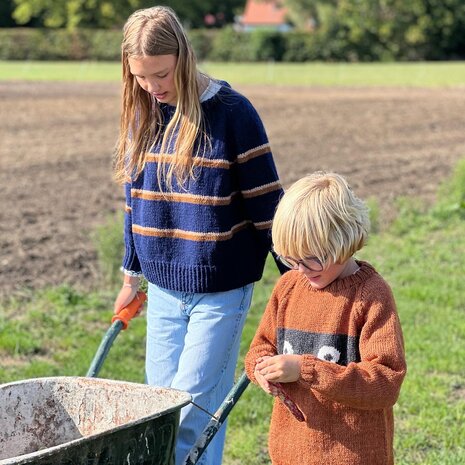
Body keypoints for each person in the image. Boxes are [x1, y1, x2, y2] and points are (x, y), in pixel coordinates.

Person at [112, 6, 284, 465]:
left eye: (162, 74)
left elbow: (269, 206)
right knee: (160, 414)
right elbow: (135, 202)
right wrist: (131, 274)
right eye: (141, 77)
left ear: (184, 57)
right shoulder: (144, 113)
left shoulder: (234, 114)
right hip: (163, 292)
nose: (153, 87)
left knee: (193, 416)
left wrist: (296, 282)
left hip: (220, 293)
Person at [244, 171, 407, 465]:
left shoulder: (370, 295)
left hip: (353, 455)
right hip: (290, 452)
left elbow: (385, 383)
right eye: (291, 259)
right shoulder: (288, 287)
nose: (302, 268)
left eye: (312, 258)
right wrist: (260, 370)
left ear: (344, 239)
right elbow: (261, 346)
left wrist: (306, 370)